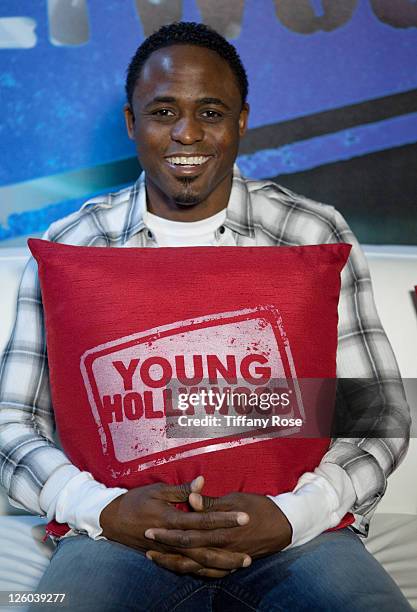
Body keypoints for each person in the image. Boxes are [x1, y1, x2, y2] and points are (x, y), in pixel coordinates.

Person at [0, 22, 412, 611]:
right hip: (116, 539)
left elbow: (376, 412)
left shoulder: (311, 234)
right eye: (163, 111)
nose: (186, 133)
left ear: (242, 121)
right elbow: (12, 420)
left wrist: (295, 514)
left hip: (297, 534)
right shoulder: (74, 244)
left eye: (211, 113)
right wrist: (104, 509)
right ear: (130, 123)